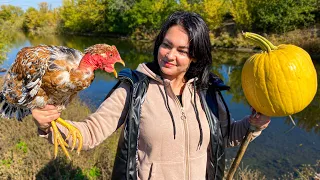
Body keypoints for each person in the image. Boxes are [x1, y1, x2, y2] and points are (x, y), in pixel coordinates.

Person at [32, 11, 270, 180]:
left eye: (182, 50)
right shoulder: (134, 88)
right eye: (166, 45)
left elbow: (225, 136)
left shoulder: (207, 91)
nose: (169, 55)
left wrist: (253, 125)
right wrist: (49, 126)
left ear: (195, 56)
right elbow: (91, 132)